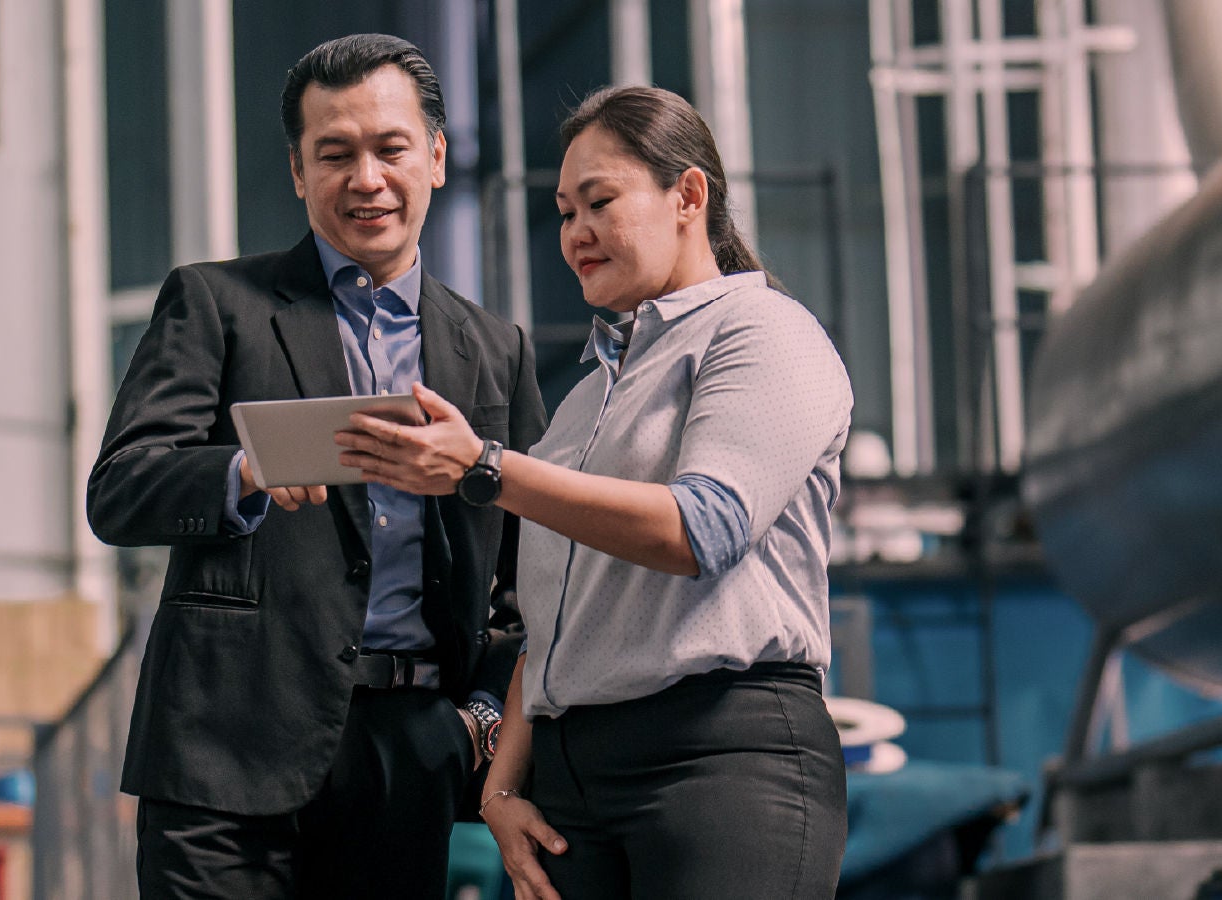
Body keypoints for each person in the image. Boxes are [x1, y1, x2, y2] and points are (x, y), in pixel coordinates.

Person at [337, 84, 852, 899]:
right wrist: (500, 788)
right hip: (571, 785)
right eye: (565, 212)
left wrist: (485, 468)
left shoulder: (762, 332)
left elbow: (700, 529)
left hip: (718, 759)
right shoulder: (584, 404)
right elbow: (548, 630)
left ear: (689, 196)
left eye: (599, 203)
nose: (575, 232)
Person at [86, 33, 547, 899]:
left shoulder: (496, 350)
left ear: (436, 157)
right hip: (223, 751)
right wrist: (243, 474)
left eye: (390, 149)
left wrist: (478, 722)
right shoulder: (217, 305)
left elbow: (532, 579)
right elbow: (119, 489)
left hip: (409, 757)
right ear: (299, 173)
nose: (366, 179)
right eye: (334, 155)